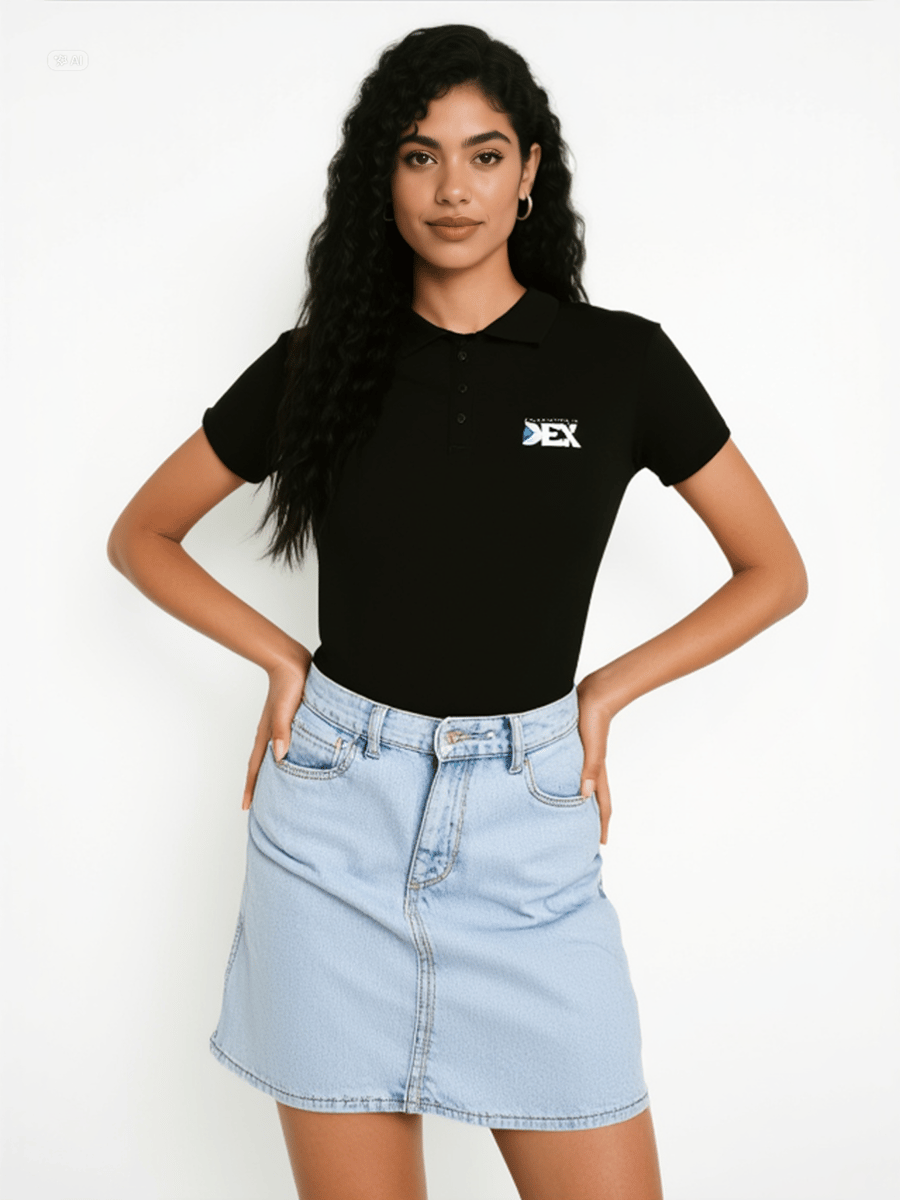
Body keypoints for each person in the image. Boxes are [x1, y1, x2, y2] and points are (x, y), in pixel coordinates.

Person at [107, 23, 807, 1200]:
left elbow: (772, 570)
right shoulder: (323, 362)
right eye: (419, 155)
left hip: (529, 839)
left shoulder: (619, 364)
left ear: (529, 171)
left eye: (484, 156)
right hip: (331, 830)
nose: (452, 189)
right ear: (381, 177)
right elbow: (142, 534)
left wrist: (604, 693)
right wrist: (282, 661)